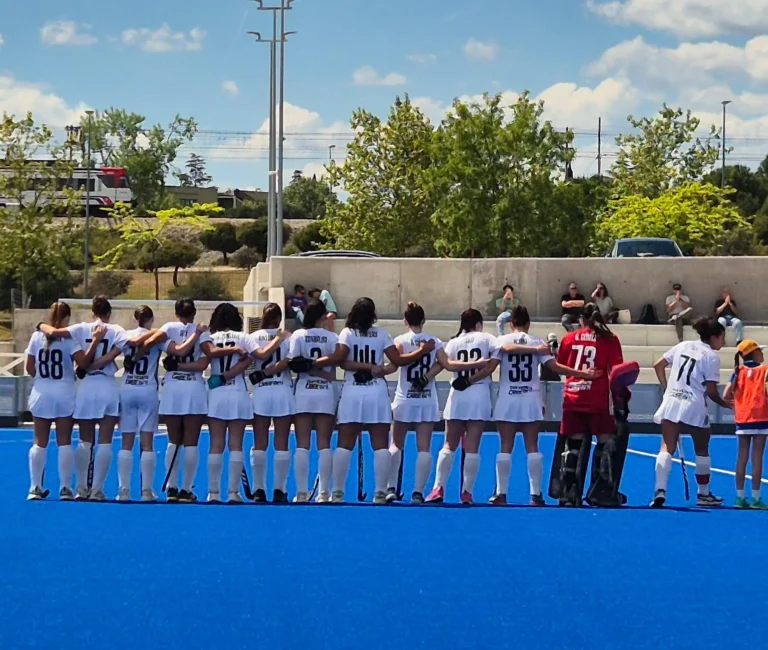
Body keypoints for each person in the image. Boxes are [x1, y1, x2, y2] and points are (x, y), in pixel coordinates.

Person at [492, 305, 599, 505]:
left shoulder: (502, 340)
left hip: (507, 398)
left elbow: (493, 361)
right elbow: (555, 367)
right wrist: (585, 374)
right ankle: (535, 494)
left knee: (505, 446)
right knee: (532, 445)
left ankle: (501, 493)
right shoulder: (537, 342)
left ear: (512, 323)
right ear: (528, 323)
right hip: (531, 398)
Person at [334, 297, 435, 504]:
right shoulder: (381, 334)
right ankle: (380, 491)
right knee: (380, 444)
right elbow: (397, 361)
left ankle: (337, 492)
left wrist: (362, 366)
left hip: (352, 392)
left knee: (345, 444)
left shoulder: (347, 333)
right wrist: (421, 352)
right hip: (376, 393)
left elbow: (341, 361)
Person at [39, 296, 130, 501]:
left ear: (93, 312)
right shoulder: (116, 330)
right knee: (105, 441)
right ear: (109, 313)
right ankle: (97, 489)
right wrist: (104, 359)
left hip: (87, 386)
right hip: (107, 384)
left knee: (85, 440)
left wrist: (41, 324)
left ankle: (81, 488)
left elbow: (53, 332)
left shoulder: (81, 328)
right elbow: (126, 345)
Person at [651, 317, 730, 508]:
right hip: (694, 403)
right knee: (702, 448)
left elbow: (658, 365)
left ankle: (659, 490)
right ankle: (703, 494)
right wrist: (727, 404)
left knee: (666, 447)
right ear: (713, 338)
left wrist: (666, 388)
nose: (724, 342)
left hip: (672, 400)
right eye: (722, 338)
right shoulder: (711, 357)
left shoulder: (683, 345)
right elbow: (711, 392)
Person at [426, 309, 500, 505]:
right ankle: (467, 492)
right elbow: (491, 365)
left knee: (449, 444)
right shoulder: (487, 339)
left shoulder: (454, 342)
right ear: (478, 323)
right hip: (478, 392)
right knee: (473, 446)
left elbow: (443, 364)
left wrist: (426, 377)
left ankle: (438, 487)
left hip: (457, 393)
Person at [143, 299, 211, 502]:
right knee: (191, 442)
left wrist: (176, 367)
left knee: (174, 440)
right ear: (194, 312)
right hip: (194, 388)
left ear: (176, 312)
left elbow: (174, 350)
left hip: (173, 387)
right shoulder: (202, 331)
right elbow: (202, 363)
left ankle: (171, 486)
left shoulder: (168, 328)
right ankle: (186, 489)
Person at [556, 303, 621, 507]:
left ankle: (568, 493)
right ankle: (600, 491)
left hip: (573, 396)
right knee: (604, 441)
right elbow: (617, 371)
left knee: (573, 445)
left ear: (581, 319)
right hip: (598, 398)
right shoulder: (609, 339)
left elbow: (562, 367)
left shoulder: (569, 338)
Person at [25, 302, 88, 500]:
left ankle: (35, 487)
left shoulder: (37, 336)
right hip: (64, 392)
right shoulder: (69, 339)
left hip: (42, 391)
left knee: (39, 442)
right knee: (64, 441)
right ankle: (65, 488)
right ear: (67, 318)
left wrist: (41, 378)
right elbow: (83, 361)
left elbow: (29, 366)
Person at [387, 302, 444, 503]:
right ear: (423, 320)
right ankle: (418, 492)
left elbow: (395, 364)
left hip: (404, 397)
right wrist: (427, 376)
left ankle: (391, 487)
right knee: (424, 446)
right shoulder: (434, 341)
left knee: (396, 443)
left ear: (405, 321)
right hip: (427, 399)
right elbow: (442, 364)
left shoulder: (400, 340)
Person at [287, 300, 342, 502]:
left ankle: (301, 492)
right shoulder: (332, 337)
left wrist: (311, 369)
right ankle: (324, 493)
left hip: (303, 391)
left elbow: (294, 363)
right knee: (324, 443)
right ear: (322, 317)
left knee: (302, 443)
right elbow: (337, 361)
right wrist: (321, 372)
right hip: (325, 391)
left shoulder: (299, 336)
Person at [204, 303, 257, 503]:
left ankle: (213, 492)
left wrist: (220, 377)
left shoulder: (211, 339)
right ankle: (233, 492)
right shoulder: (243, 337)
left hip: (216, 393)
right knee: (236, 444)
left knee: (215, 444)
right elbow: (250, 359)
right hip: (237, 392)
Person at [248, 303, 295, 503]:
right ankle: (279, 489)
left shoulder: (253, 337)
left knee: (260, 442)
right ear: (279, 318)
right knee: (282, 441)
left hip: (261, 391)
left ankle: (259, 489)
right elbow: (290, 361)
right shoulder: (288, 338)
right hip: (282, 390)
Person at [117, 306, 162, 502]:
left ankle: (124, 490)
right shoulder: (158, 336)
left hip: (127, 387)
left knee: (126, 443)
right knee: (147, 442)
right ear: (150, 319)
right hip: (147, 389)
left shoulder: (125, 336)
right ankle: (146, 490)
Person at [723, 340, 768, 509]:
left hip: (743, 419)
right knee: (757, 458)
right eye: (760, 351)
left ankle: (739, 497)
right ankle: (756, 498)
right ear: (754, 353)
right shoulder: (765, 370)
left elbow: (726, 393)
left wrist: (739, 404)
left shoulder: (737, 371)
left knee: (741, 458)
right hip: (762, 417)